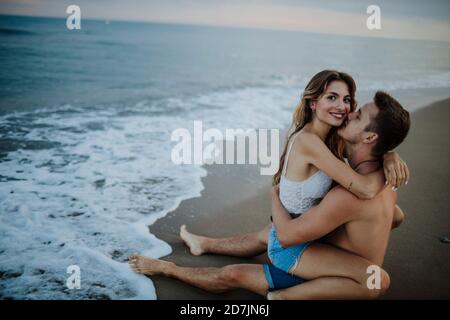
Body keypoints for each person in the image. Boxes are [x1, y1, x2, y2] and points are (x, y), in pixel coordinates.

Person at [129, 76, 410, 298]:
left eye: (352, 107)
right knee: (237, 271)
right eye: (334, 98)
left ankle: (203, 243)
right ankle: (169, 269)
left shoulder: (337, 146)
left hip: (316, 246)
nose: (347, 111)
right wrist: (276, 198)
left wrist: (388, 154)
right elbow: (365, 194)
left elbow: (394, 216)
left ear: (371, 137)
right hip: (301, 251)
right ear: (314, 103)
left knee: (268, 235)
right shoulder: (342, 174)